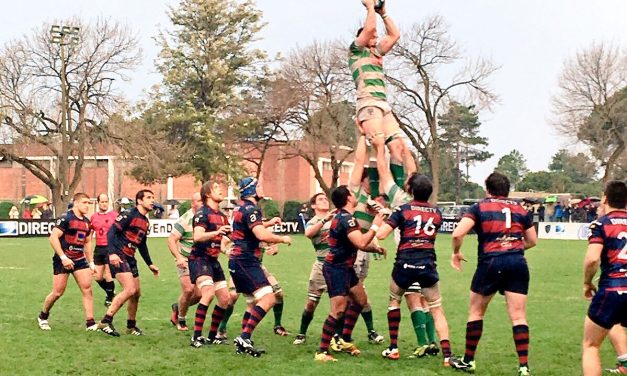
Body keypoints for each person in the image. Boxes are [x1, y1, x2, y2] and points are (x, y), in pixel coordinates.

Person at [450, 172, 537, 376]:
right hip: (517, 263)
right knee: (518, 316)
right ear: (508, 191)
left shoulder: (479, 207)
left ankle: (468, 361)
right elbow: (532, 240)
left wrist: (456, 252)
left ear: (487, 189)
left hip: (491, 262)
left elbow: (457, 233)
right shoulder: (520, 209)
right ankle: (524, 367)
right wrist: (513, 248)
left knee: (476, 312)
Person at [371, 134, 447, 360]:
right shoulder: (433, 208)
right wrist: (404, 152)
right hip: (427, 256)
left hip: (407, 255)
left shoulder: (399, 199)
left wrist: (378, 149)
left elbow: (384, 173)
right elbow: (413, 172)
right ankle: (433, 343)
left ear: (409, 187)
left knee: (411, 298)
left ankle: (424, 343)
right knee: (428, 300)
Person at [314, 185, 386, 362]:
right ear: (348, 199)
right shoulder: (347, 219)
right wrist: (376, 224)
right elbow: (360, 242)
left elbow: (355, 243)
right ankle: (322, 352)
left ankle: (344, 338)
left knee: (360, 300)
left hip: (345, 268)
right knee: (338, 310)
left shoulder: (345, 217)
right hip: (336, 269)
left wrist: (374, 248)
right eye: (353, 194)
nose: (356, 196)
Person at [229, 177, 292, 357]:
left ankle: (244, 344)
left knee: (251, 305)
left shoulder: (242, 209)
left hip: (238, 260)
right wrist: (282, 238)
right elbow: (259, 233)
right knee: (269, 298)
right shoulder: (251, 209)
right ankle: (244, 337)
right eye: (258, 186)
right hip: (246, 260)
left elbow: (252, 228)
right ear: (252, 190)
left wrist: (269, 223)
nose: (262, 188)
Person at [351, 0, 406, 189]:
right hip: (368, 103)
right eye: (372, 34)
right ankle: (377, 195)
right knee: (378, 145)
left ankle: (398, 193)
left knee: (397, 147)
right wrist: (369, 7)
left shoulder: (376, 52)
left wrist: (383, 13)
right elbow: (369, 29)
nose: (375, 35)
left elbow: (395, 35)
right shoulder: (355, 51)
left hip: (383, 104)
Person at [96, 190, 160, 337]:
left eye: (153, 197)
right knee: (129, 289)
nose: (152, 200)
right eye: (149, 198)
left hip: (131, 257)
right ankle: (106, 321)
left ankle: (131, 326)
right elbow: (111, 232)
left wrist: (150, 264)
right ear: (139, 201)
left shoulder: (145, 221)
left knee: (136, 293)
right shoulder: (129, 215)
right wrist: (111, 253)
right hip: (118, 255)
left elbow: (142, 244)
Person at [582, 181, 627, 376]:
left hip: (612, 289)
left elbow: (592, 259)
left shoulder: (601, 224)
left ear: (605, 198)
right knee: (613, 323)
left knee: (591, 345)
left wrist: (587, 282)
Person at [37, 193, 96, 331]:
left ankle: (90, 323)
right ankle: (43, 316)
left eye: (89, 203)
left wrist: (91, 262)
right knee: (57, 292)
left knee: (87, 288)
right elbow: (53, 238)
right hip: (62, 259)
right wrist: (63, 257)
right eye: (84, 202)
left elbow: (87, 242)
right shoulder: (66, 218)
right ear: (76, 203)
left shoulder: (87, 222)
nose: (87, 205)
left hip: (79, 259)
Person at [189, 182, 232, 347]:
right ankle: (196, 337)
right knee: (208, 293)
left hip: (213, 261)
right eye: (216, 188)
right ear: (207, 194)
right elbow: (197, 237)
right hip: (199, 259)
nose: (220, 190)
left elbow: (233, 237)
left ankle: (213, 336)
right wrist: (216, 232)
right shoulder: (202, 213)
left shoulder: (222, 216)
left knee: (225, 299)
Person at [293, 193, 335, 345]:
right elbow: (308, 233)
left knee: (339, 303)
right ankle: (301, 333)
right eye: (320, 200)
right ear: (313, 206)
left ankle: (336, 336)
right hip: (320, 266)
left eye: (325, 199)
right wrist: (325, 220)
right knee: (311, 303)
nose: (324, 201)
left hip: (336, 266)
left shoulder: (336, 218)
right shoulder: (313, 222)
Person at [167, 192, 203, 331]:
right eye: (199, 201)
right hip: (185, 260)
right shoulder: (185, 220)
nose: (202, 203)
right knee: (188, 290)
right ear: (192, 203)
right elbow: (171, 240)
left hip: (199, 261)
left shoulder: (205, 218)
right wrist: (179, 257)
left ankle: (177, 306)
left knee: (199, 295)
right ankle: (181, 319)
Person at [90, 193, 118, 307]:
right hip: (99, 248)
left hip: (110, 248)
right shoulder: (93, 217)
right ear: (98, 203)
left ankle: (109, 297)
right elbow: (90, 233)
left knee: (108, 274)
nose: (104, 204)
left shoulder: (114, 216)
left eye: (106, 202)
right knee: (97, 276)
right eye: (102, 202)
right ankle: (110, 292)